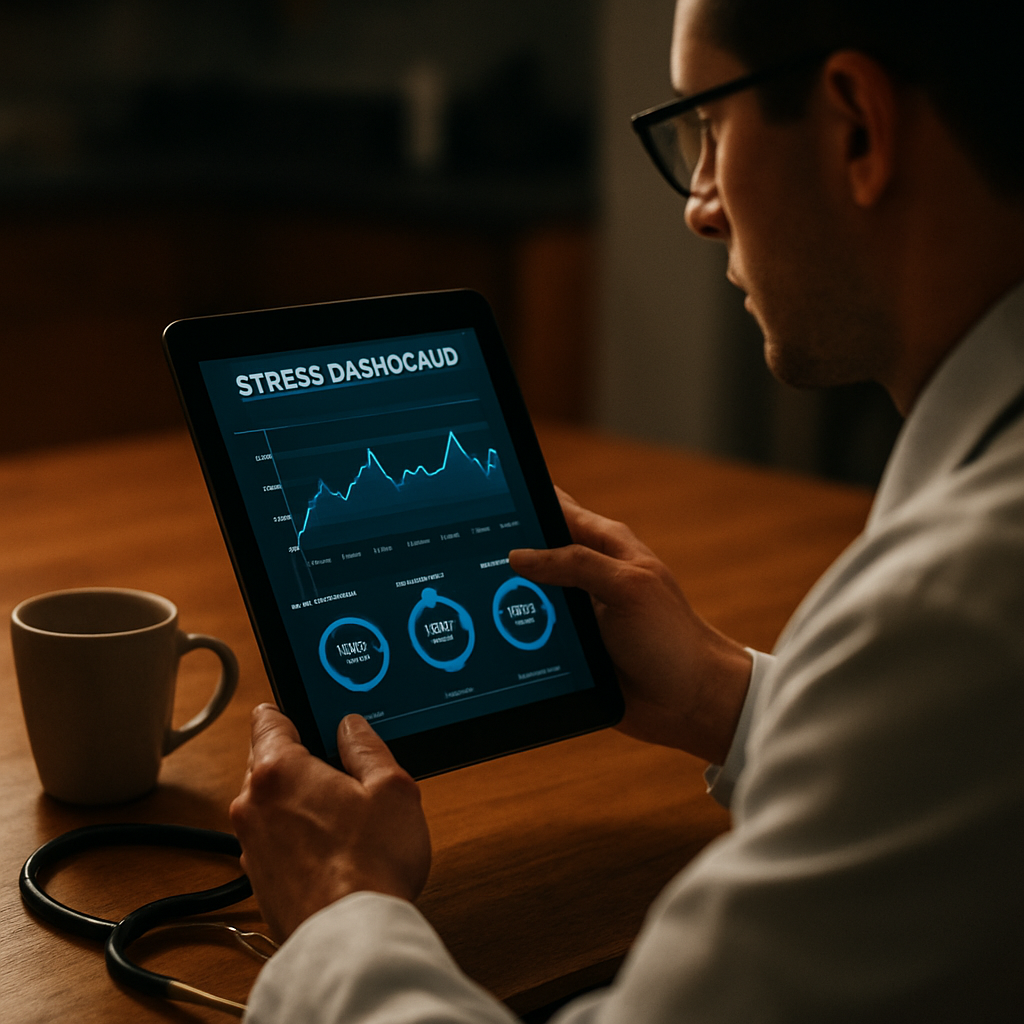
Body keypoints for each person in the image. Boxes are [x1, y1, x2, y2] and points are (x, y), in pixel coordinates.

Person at [230, 0, 1024, 1019]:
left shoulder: (959, 611)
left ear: (855, 127)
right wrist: (719, 696)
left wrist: (340, 911)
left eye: (708, 126)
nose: (698, 204)